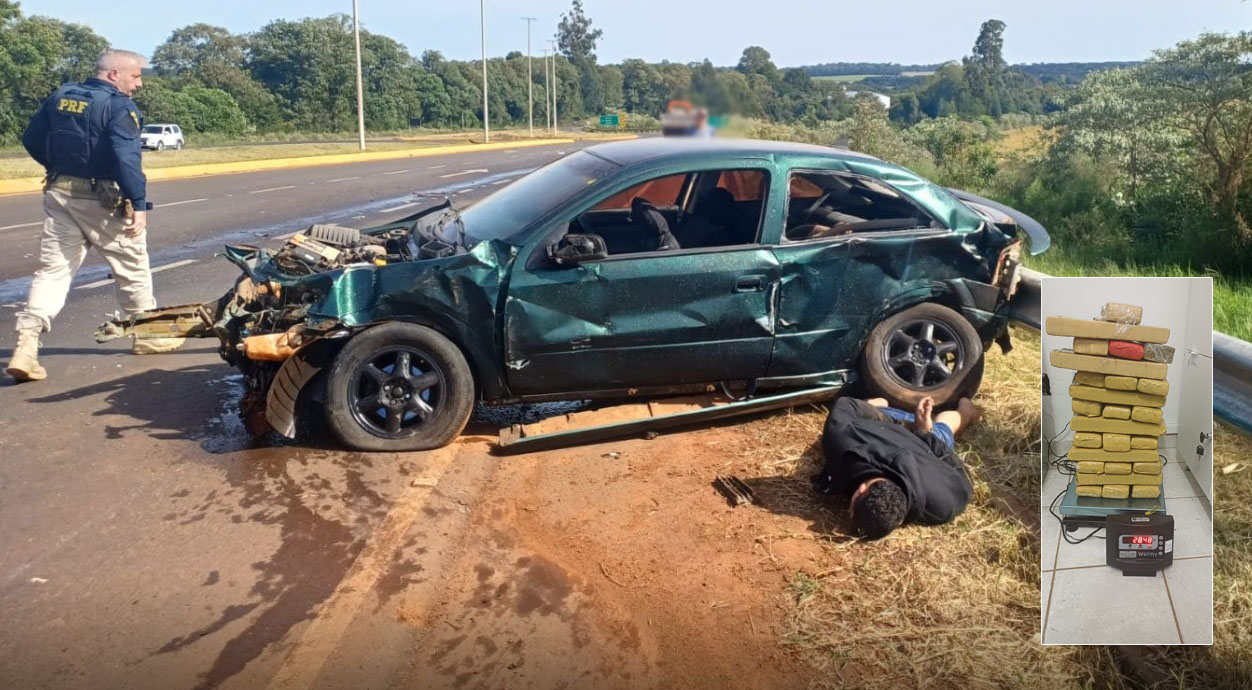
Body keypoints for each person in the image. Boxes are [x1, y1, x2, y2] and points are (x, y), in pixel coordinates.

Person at [7, 49, 183, 383]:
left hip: (60, 193)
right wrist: (140, 202)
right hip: (102, 199)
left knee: (53, 272)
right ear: (114, 74)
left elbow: (31, 138)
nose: (140, 84)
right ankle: (144, 334)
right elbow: (126, 158)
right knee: (131, 266)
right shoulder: (119, 107)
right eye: (136, 76)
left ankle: (26, 344)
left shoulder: (62, 96)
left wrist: (56, 167)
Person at [812, 395, 980, 540]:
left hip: (904, 433)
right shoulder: (842, 442)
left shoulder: (945, 505)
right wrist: (925, 434)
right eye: (851, 509)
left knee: (945, 426)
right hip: (893, 425)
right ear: (862, 489)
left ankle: (965, 407)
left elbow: (963, 475)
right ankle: (964, 408)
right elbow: (846, 405)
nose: (848, 507)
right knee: (943, 427)